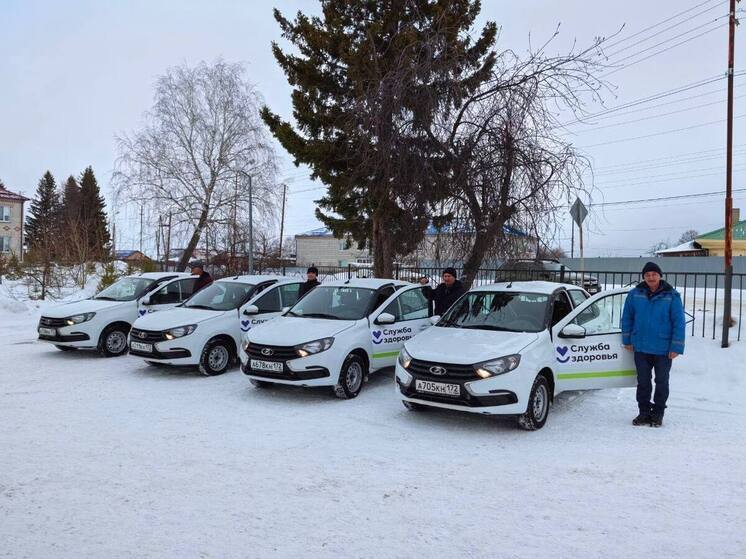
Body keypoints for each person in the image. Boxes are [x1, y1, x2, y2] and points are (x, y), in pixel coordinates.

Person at [621, 261, 685, 428]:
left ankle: (657, 414)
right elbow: (627, 317)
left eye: (654, 274)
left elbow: (679, 322)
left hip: (663, 349)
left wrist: (676, 347)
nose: (651, 277)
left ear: (660, 276)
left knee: (662, 382)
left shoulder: (672, 295)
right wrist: (627, 339)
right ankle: (643, 413)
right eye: (647, 275)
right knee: (643, 382)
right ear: (644, 277)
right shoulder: (635, 294)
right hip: (640, 347)